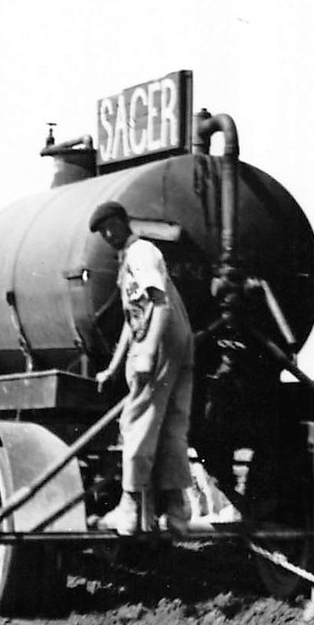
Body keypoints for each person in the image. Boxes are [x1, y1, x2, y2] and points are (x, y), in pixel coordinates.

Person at [89, 201, 196, 535]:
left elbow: (160, 303)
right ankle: (177, 511)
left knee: (136, 422)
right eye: (102, 231)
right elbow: (131, 319)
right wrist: (113, 366)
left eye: (111, 226)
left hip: (160, 341)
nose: (108, 234)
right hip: (175, 341)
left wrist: (147, 351)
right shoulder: (131, 259)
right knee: (170, 429)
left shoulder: (140, 253)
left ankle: (130, 508)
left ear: (124, 222)